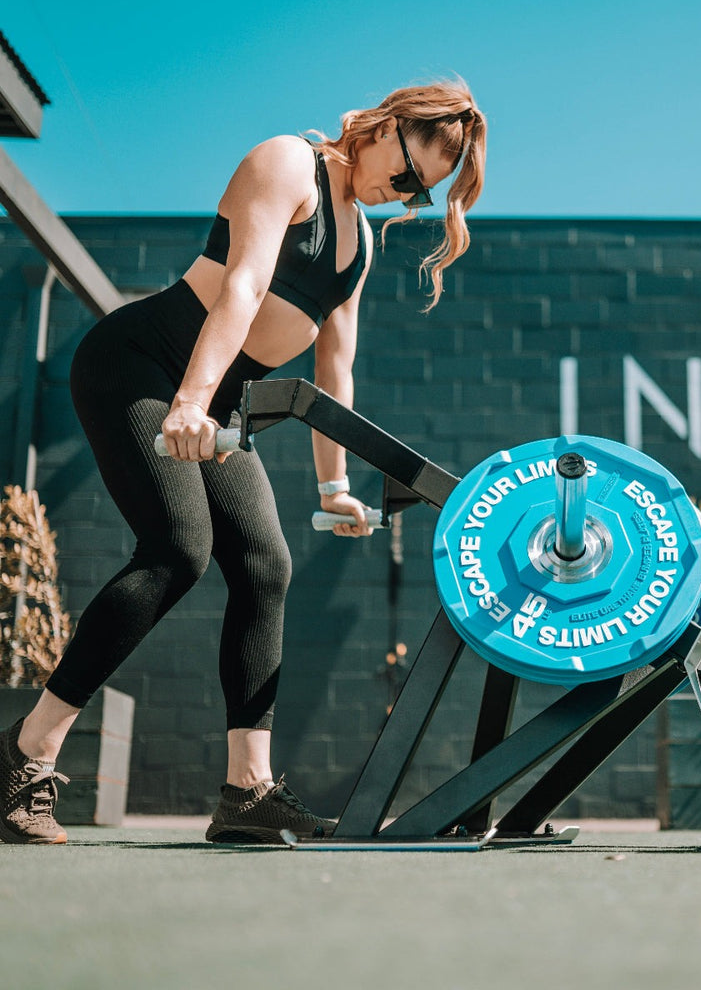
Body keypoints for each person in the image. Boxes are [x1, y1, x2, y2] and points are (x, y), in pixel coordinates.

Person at [0, 81, 487, 845]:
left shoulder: (357, 241)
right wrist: (191, 401)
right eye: (405, 175)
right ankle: (29, 751)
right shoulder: (286, 162)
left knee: (266, 564)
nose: (401, 195)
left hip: (214, 394)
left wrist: (335, 485)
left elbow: (336, 372)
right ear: (387, 127)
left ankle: (246, 793)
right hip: (147, 364)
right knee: (177, 550)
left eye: (418, 195)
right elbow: (245, 284)